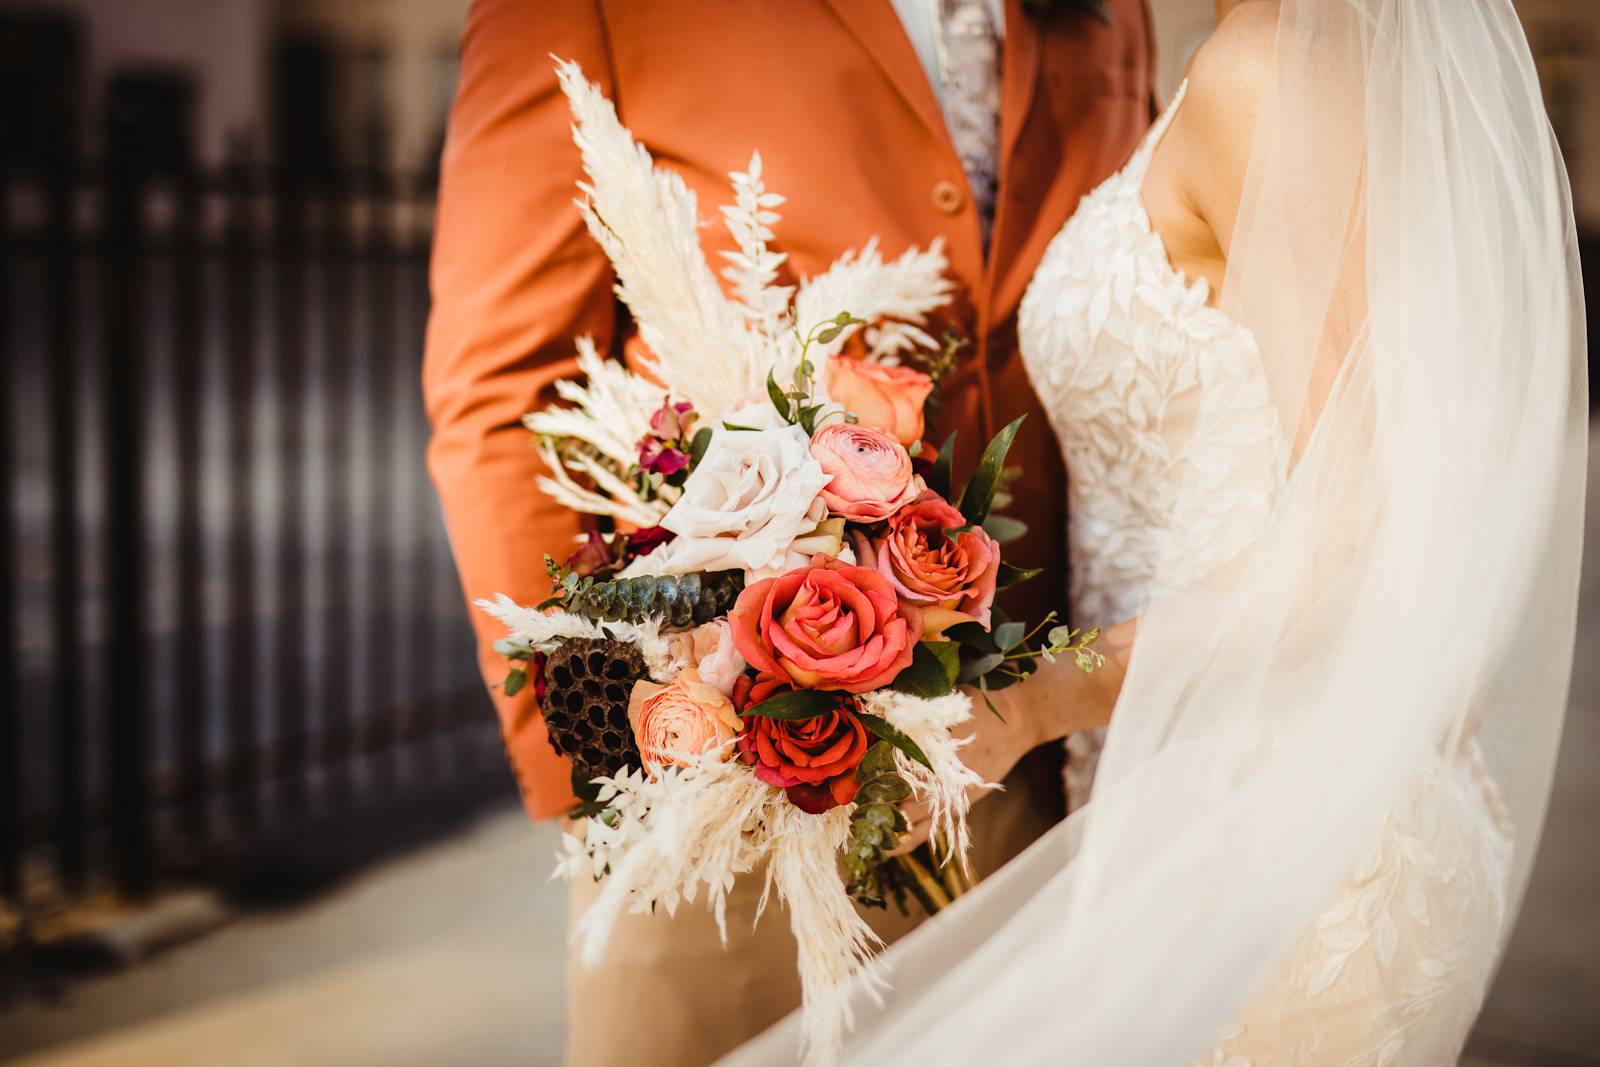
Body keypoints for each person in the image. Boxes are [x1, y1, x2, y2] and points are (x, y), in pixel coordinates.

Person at [726, 0, 1586, 1062]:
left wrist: (1029, 701)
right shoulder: (1257, 53)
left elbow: (1364, 540)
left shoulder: (1272, 67)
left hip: (1273, 818)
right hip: (1188, 776)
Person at [421, 2, 1158, 1063]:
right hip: (728, 779)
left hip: (1038, 765)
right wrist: (603, 745)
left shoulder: (1107, 11)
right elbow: (499, 392)